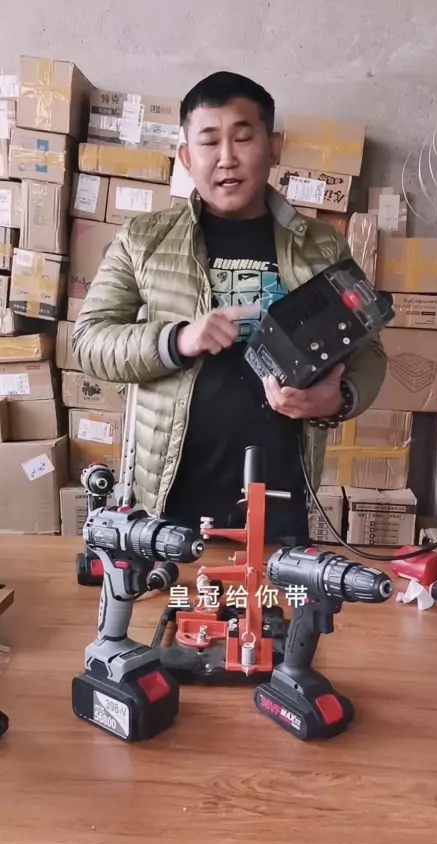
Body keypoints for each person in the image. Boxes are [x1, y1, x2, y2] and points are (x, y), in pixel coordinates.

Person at [72, 71, 387, 544]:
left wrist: (338, 399)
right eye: (208, 142)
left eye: (243, 138)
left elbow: (369, 352)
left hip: (280, 500)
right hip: (167, 503)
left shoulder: (321, 247)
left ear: (274, 147)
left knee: (273, 595)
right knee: (176, 595)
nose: (226, 158)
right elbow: (88, 341)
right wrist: (177, 340)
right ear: (186, 157)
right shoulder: (143, 240)